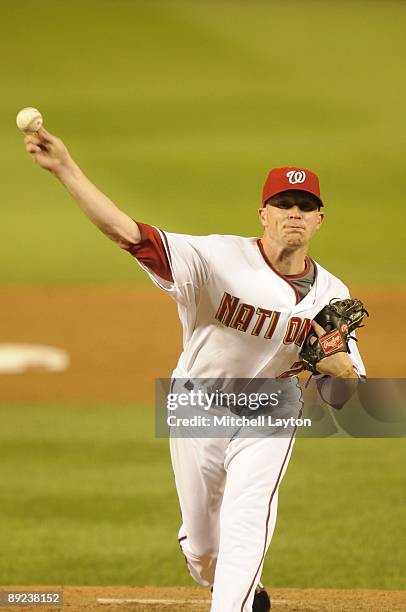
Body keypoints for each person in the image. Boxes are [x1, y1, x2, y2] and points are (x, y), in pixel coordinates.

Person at [23, 128, 365, 612]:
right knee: (205, 551)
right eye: (284, 203)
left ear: (319, 220)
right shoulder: (214, 258)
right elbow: (128, 234)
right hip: (195, 401)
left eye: (305, 205)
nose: (294, 213)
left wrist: (340, 371)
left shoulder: (333, 294)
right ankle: (225, 582)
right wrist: (64, 169)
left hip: (270, 409)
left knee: (248, 517)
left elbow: (354, 395)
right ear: (262, 214)